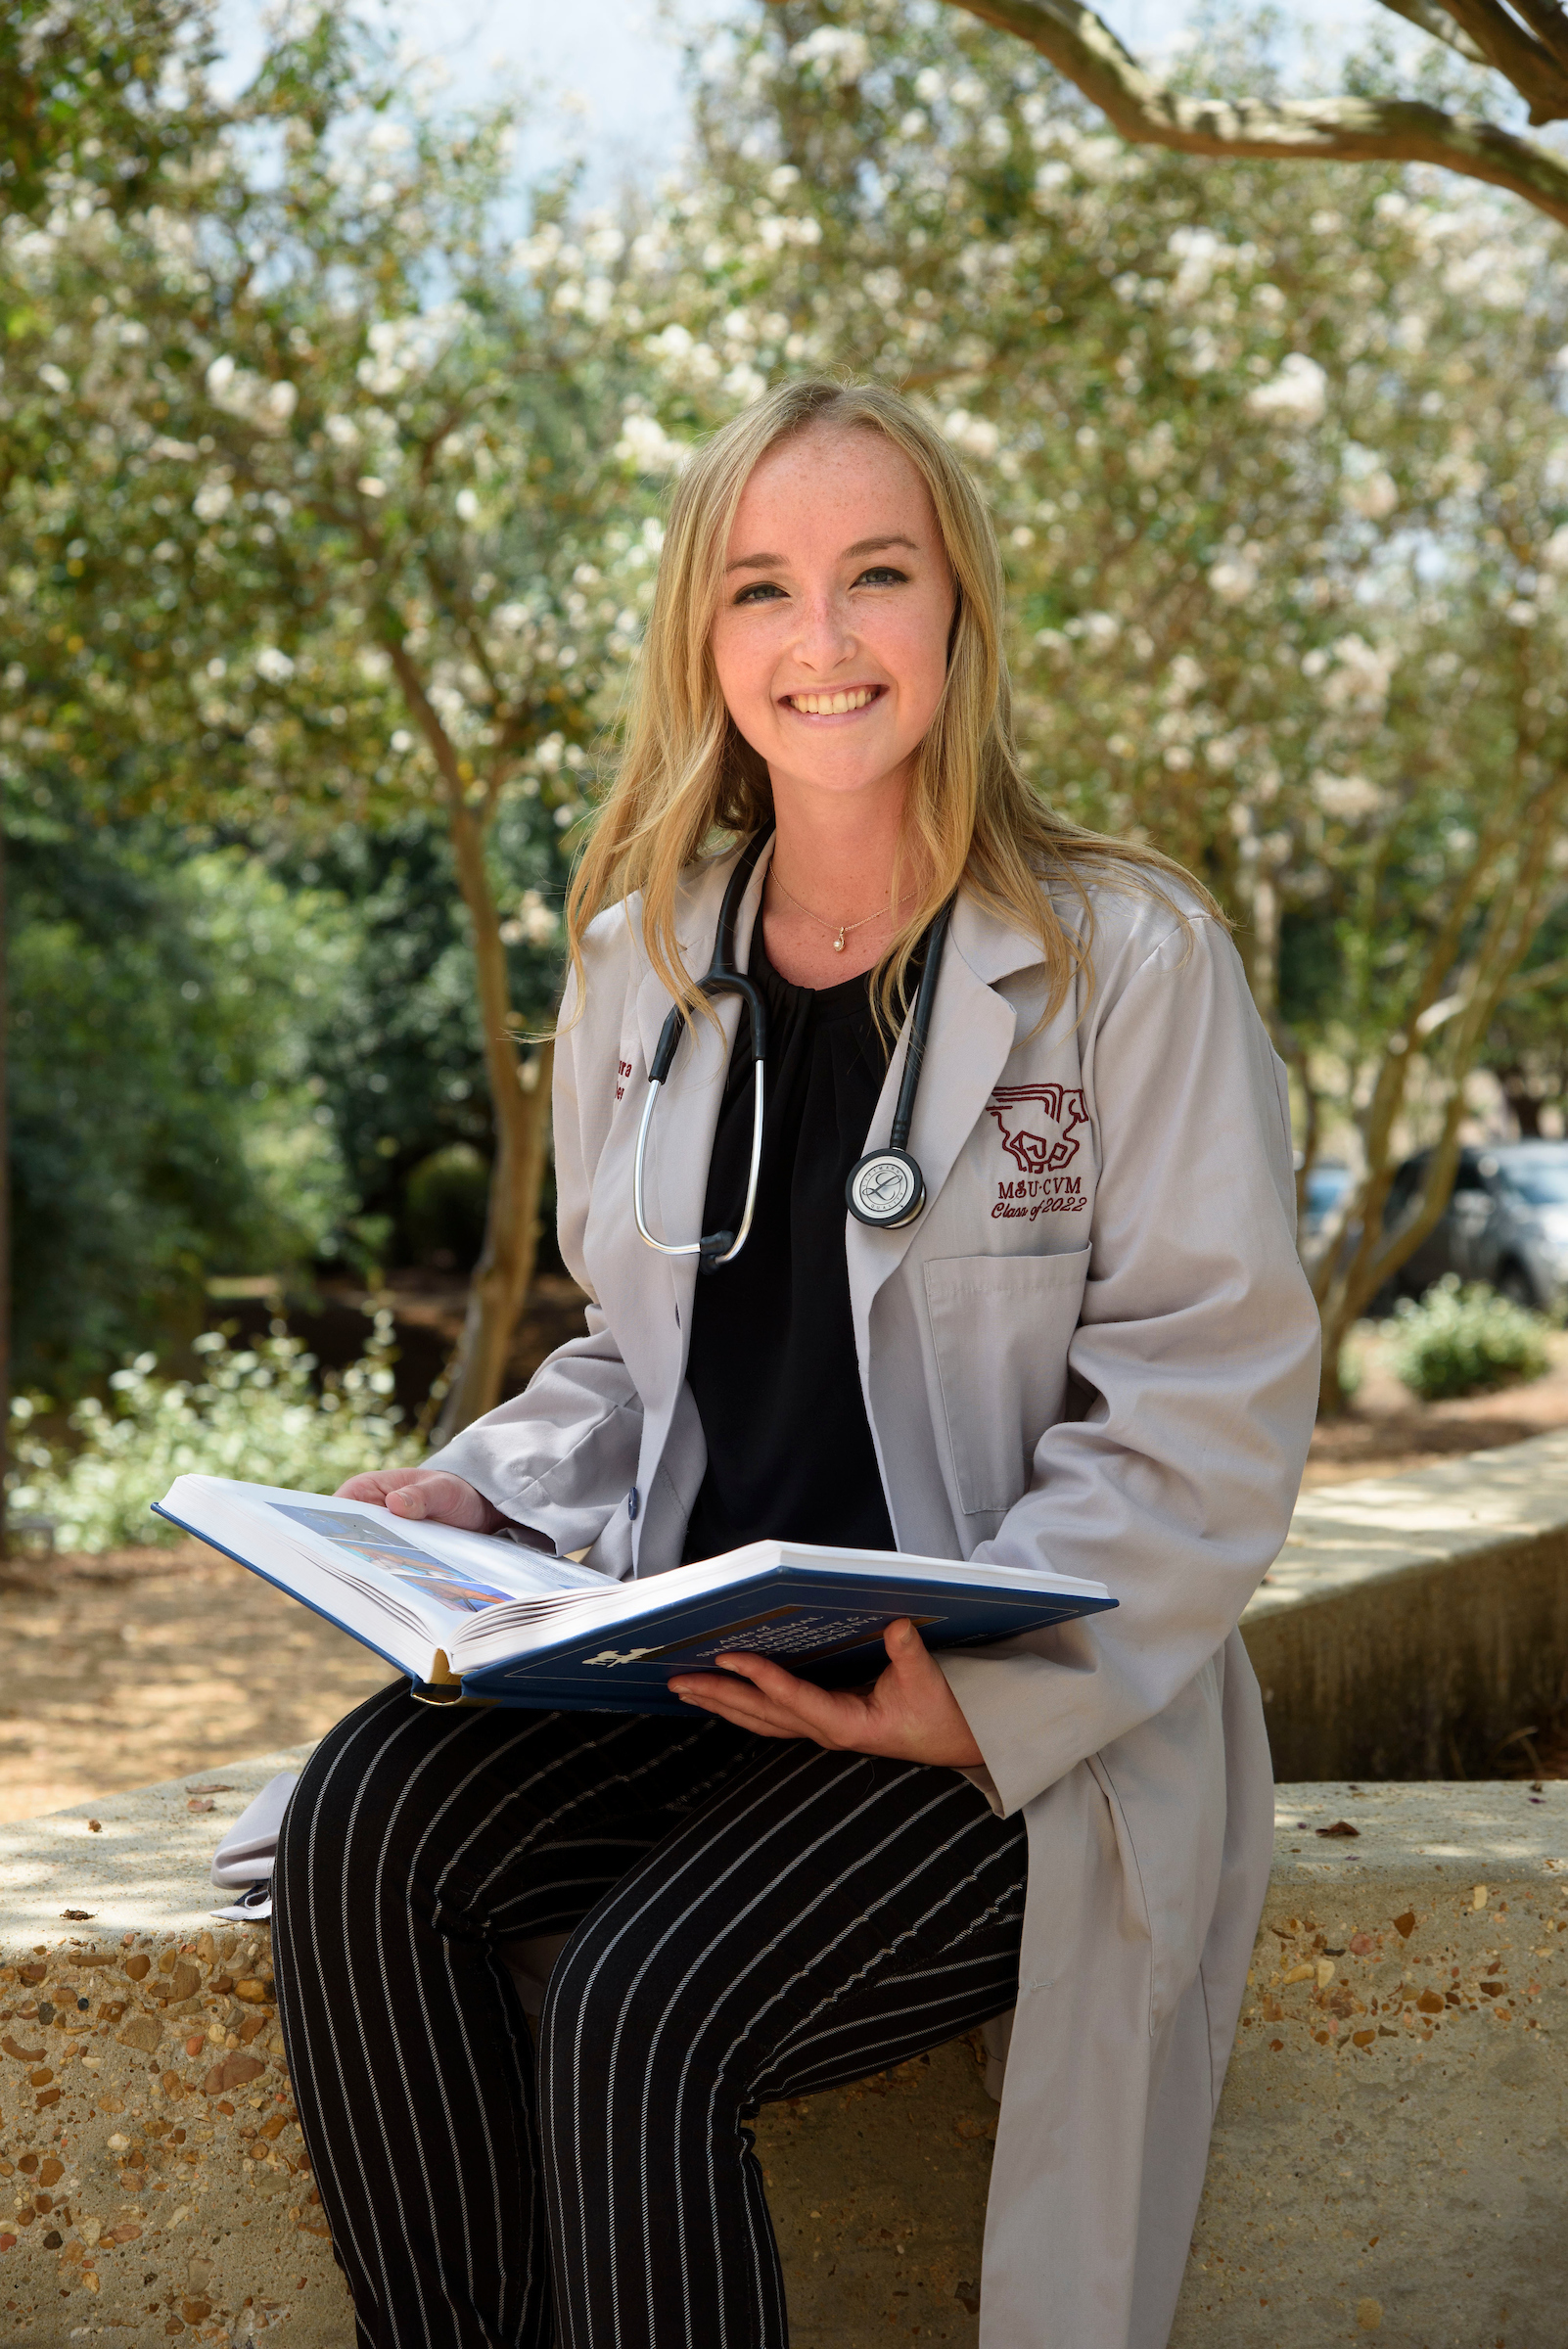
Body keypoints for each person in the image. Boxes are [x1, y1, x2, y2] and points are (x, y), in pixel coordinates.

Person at [272, 378, 1319, 2349]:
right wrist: (486, 1486)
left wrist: (990, 1706)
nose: (819, 641)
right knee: (364, 1831)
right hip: (700, 1664)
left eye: (874, 576)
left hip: (990, 1713)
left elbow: (1208, 1396)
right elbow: (637, 1356)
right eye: (763, 588)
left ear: (958, 612)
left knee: (639, 2003)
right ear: (706, 634)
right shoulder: (642, 962)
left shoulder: (1128, 960)